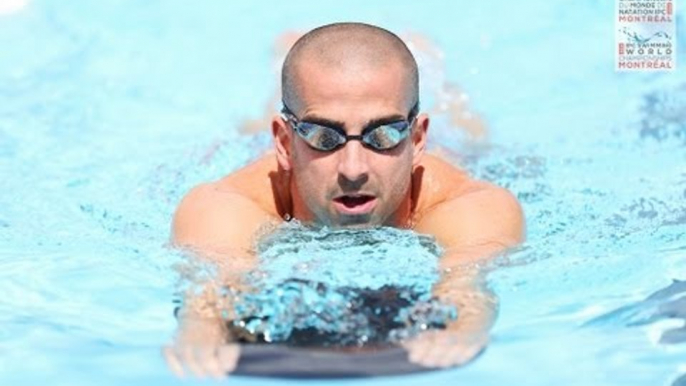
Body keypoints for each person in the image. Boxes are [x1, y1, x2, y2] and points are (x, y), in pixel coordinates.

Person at [164, 22, 525, 378]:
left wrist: (464, 327)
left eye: (384, 134)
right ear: (285, 144)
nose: (354, 170)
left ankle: (429, 64)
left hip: (451, 148)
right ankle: (285, 61)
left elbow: (467, 286)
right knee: (258, 124)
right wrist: (203, 329)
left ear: (416, 141)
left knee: (466, 131)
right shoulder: (227, 203)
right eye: (324, 137)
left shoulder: (466, 203)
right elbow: (212, 290)